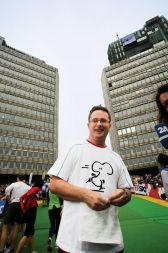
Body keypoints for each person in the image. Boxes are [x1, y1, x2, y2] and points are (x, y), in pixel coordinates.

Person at [48, 105, 133, 253]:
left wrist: (124, 195)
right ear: (88, 125)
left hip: (111, 243)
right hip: (73, 243)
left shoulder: (116, 158)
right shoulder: (75, 148)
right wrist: (86, 195)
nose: (99, 124)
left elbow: (127, 190)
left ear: (110, 125)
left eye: (103, 121)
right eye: (95, 120)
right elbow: (54, 185)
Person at [0, 175, 30, 253]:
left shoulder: (14, 184)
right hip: (21, 206)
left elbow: (6, 190)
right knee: (16, 227)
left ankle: (1, 249)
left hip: (13, 204)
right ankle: (12, 247)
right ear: (23, 179)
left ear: (17, 178)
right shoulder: (27, 187)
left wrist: (9, 199)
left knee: (5, 227)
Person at [15, 179, 44, 253]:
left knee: (31, 233)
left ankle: (31, 251)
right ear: (40, 185)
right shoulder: (36, 189)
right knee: (27, 234)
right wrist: (25, 207)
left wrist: (24, 208)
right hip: (31, 211)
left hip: (29, 211)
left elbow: (21, 198)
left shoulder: (32, 189)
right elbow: (27, 195)